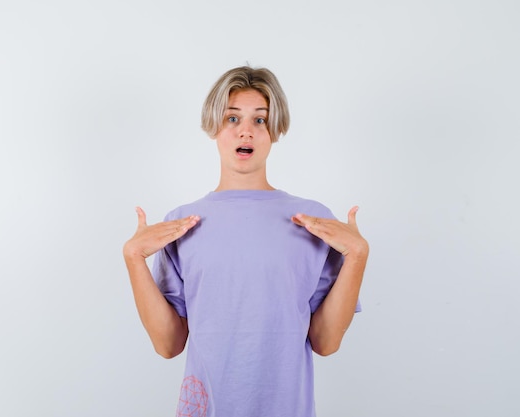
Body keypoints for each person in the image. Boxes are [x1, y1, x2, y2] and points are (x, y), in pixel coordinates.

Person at [123, 66, 369, 417]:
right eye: (232, 118)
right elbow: (168, 344)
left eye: (260, 120)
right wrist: (134, 257)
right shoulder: (181, 224)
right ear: (214, 127)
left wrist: (357, 255)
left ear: (275, 130)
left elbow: (326, 343)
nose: (246, 132)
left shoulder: (313, 221)